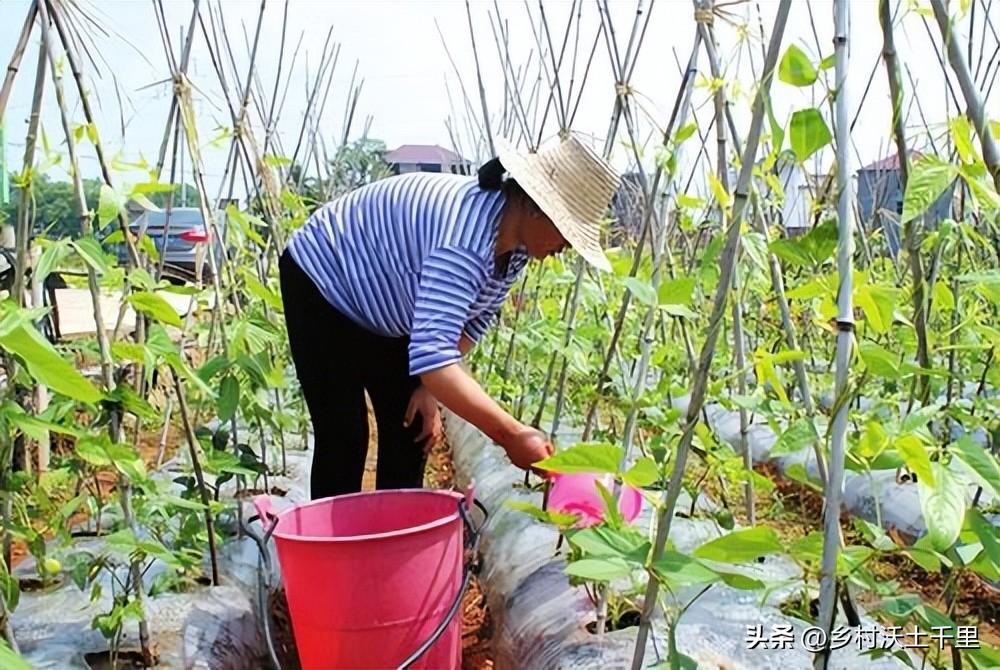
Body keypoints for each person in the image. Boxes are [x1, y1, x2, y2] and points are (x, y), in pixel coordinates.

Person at [278, 134, 621, 500]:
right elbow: (436, 359)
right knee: (345, 433)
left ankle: (393, 544)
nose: (566, 246)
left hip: (389, 299)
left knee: (412, 429)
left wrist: (427, 387)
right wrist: (510, 435)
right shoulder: (464, 241)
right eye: (567, 231)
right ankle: (333, 551)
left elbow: (472, 322)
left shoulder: (514, 248)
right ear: (536, 207)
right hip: (323, 280)